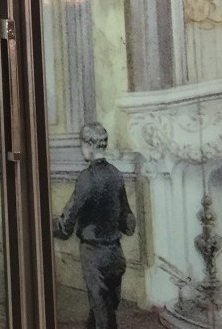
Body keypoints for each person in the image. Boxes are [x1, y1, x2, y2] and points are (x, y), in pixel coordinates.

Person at [53, 122, 137, 329]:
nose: (81, 150)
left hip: (94, 255)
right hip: (116, 253)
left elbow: (67, 223)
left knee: (102, 313)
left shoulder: (86, 178)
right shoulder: (116, 174)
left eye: (81, 145)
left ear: (88, 146)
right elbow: (128, 221)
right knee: (106, 307)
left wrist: (47, 227)